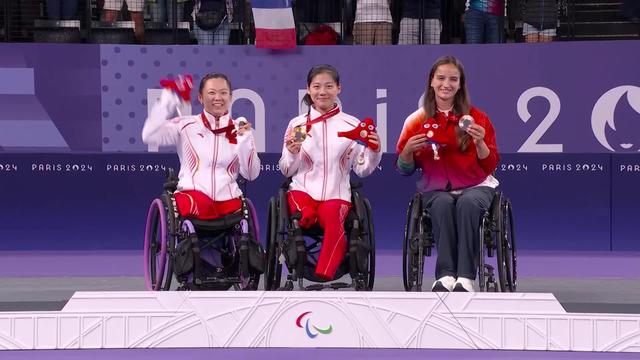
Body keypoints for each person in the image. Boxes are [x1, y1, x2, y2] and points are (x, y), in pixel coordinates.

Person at [396, 56, 500, 292]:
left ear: (461, 84)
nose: (447, 84)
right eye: (441, 78)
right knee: (442, 204)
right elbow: (404, 170)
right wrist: (408, 152)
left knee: (468, 204)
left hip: (476, 186)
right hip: (435, 189)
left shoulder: (477, 118)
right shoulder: (416, 120)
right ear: (431, 82)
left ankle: (465, 277)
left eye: (453, 79)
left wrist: (481, 142)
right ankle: (444, 276)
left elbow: (490, 165)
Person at [279, 64, 382, 281]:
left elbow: (362, 170)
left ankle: (323, 275)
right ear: (308, 89)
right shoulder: (298, 125)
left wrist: (374, 151)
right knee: (304, 217)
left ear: (338, 89)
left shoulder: (351, 125)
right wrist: (291, 153)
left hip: (336, 196)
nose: (322, 91)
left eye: (328, 86)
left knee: (334, 220)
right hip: (302, 192)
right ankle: (298, 265)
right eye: (316, 86)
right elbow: (287, 169)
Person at [142, 72, 261, 221]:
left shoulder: (240, 128)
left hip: (228, 203)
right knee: (201, 204)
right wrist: (168, 101)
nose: (218, 98)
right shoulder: (186, 125)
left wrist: (244, 141)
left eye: (223, 93)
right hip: (192, 199)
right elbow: (149, 136)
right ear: (200, 98)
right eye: (211, 93)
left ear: (230, 97)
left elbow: (251, 174)